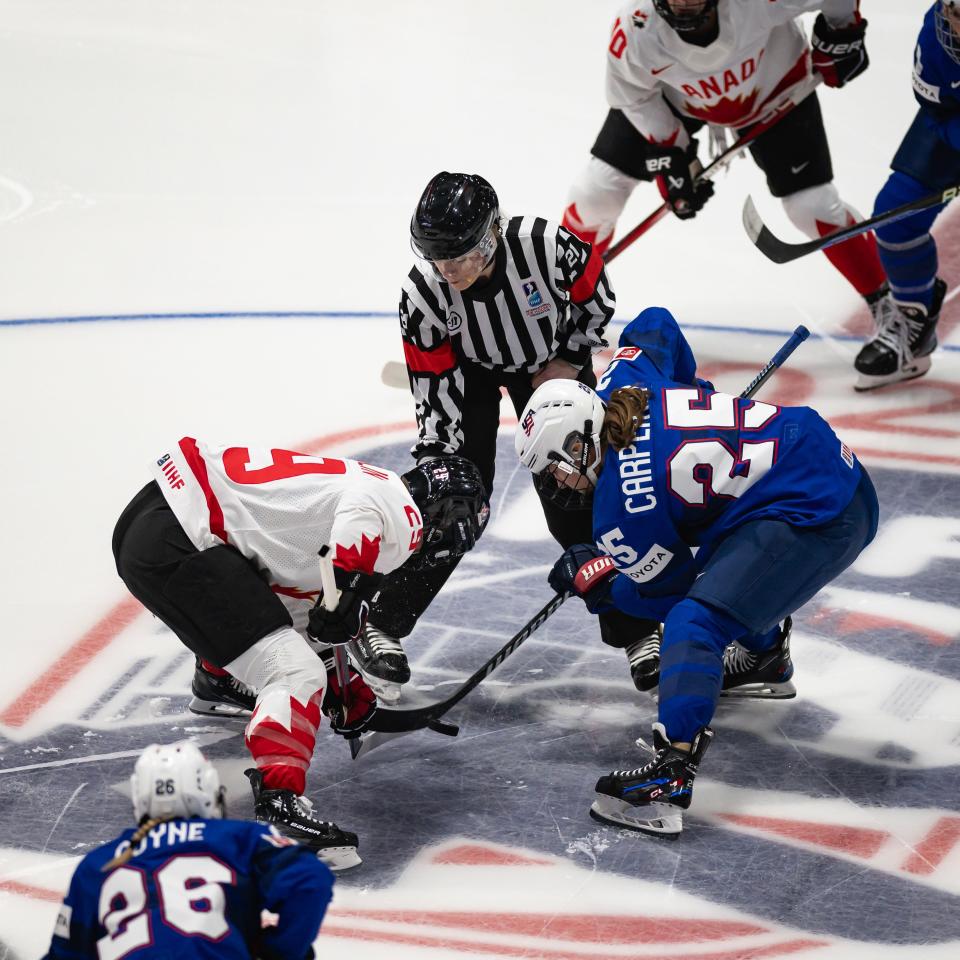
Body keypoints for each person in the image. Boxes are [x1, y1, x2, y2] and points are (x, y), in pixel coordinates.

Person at [515, 307, 879, 836]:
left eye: (555, 466)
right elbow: (653, 325)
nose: (556, 483)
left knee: (696, 621)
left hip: (819, 510)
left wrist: (598, 585)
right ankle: (763, 658)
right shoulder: (623, 381)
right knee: (718, 564)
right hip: (814, 470)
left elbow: (670, 598)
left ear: (580, 444)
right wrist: (695, 393)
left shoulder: (623, 509)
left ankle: (671, 773)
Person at [354, 170, 663, 703]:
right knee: (456, 501)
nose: (446, 270)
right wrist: (443, 467)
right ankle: (379, 623)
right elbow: (434, 387)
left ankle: (638, 629)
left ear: (491, 236)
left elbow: (596, 291)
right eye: (436, 257)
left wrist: (568, 358)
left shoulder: (544, 245)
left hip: (550, 363)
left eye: (457, 256)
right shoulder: (424, 294)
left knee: (581, 490)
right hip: (468, 376)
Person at [112, 439, 485, 866]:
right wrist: (345, 593)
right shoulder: (399, 512)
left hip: (160, 520)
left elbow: (303, 615)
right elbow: (359, 526)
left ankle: (218, 677)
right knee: (294, 672)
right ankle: (279, 802)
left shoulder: (369, 486)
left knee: (285, 641)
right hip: (180, 538)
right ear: (446, 514)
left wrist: (346, 689)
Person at [562, 1, 893, 332]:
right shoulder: (636, 29)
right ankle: (561, 301)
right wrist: (672, 153)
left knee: (813, 208)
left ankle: (892, 305)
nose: (684, 4)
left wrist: (842, 29)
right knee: (595, 194)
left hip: (775, 92)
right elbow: (633, 95)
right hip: (677, 102)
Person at [42, 741, 334, 960]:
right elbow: (310, 881)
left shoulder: (99, 864)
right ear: (208, 790)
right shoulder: (239, 838)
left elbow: (63, 954)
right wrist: (281, 951)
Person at [853, 0, 958, 390]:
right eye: (956, 14)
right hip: (955, 122)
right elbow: (937, 110)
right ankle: (914, 323)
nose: (958, 26)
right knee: (896, 214)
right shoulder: (935, 37)